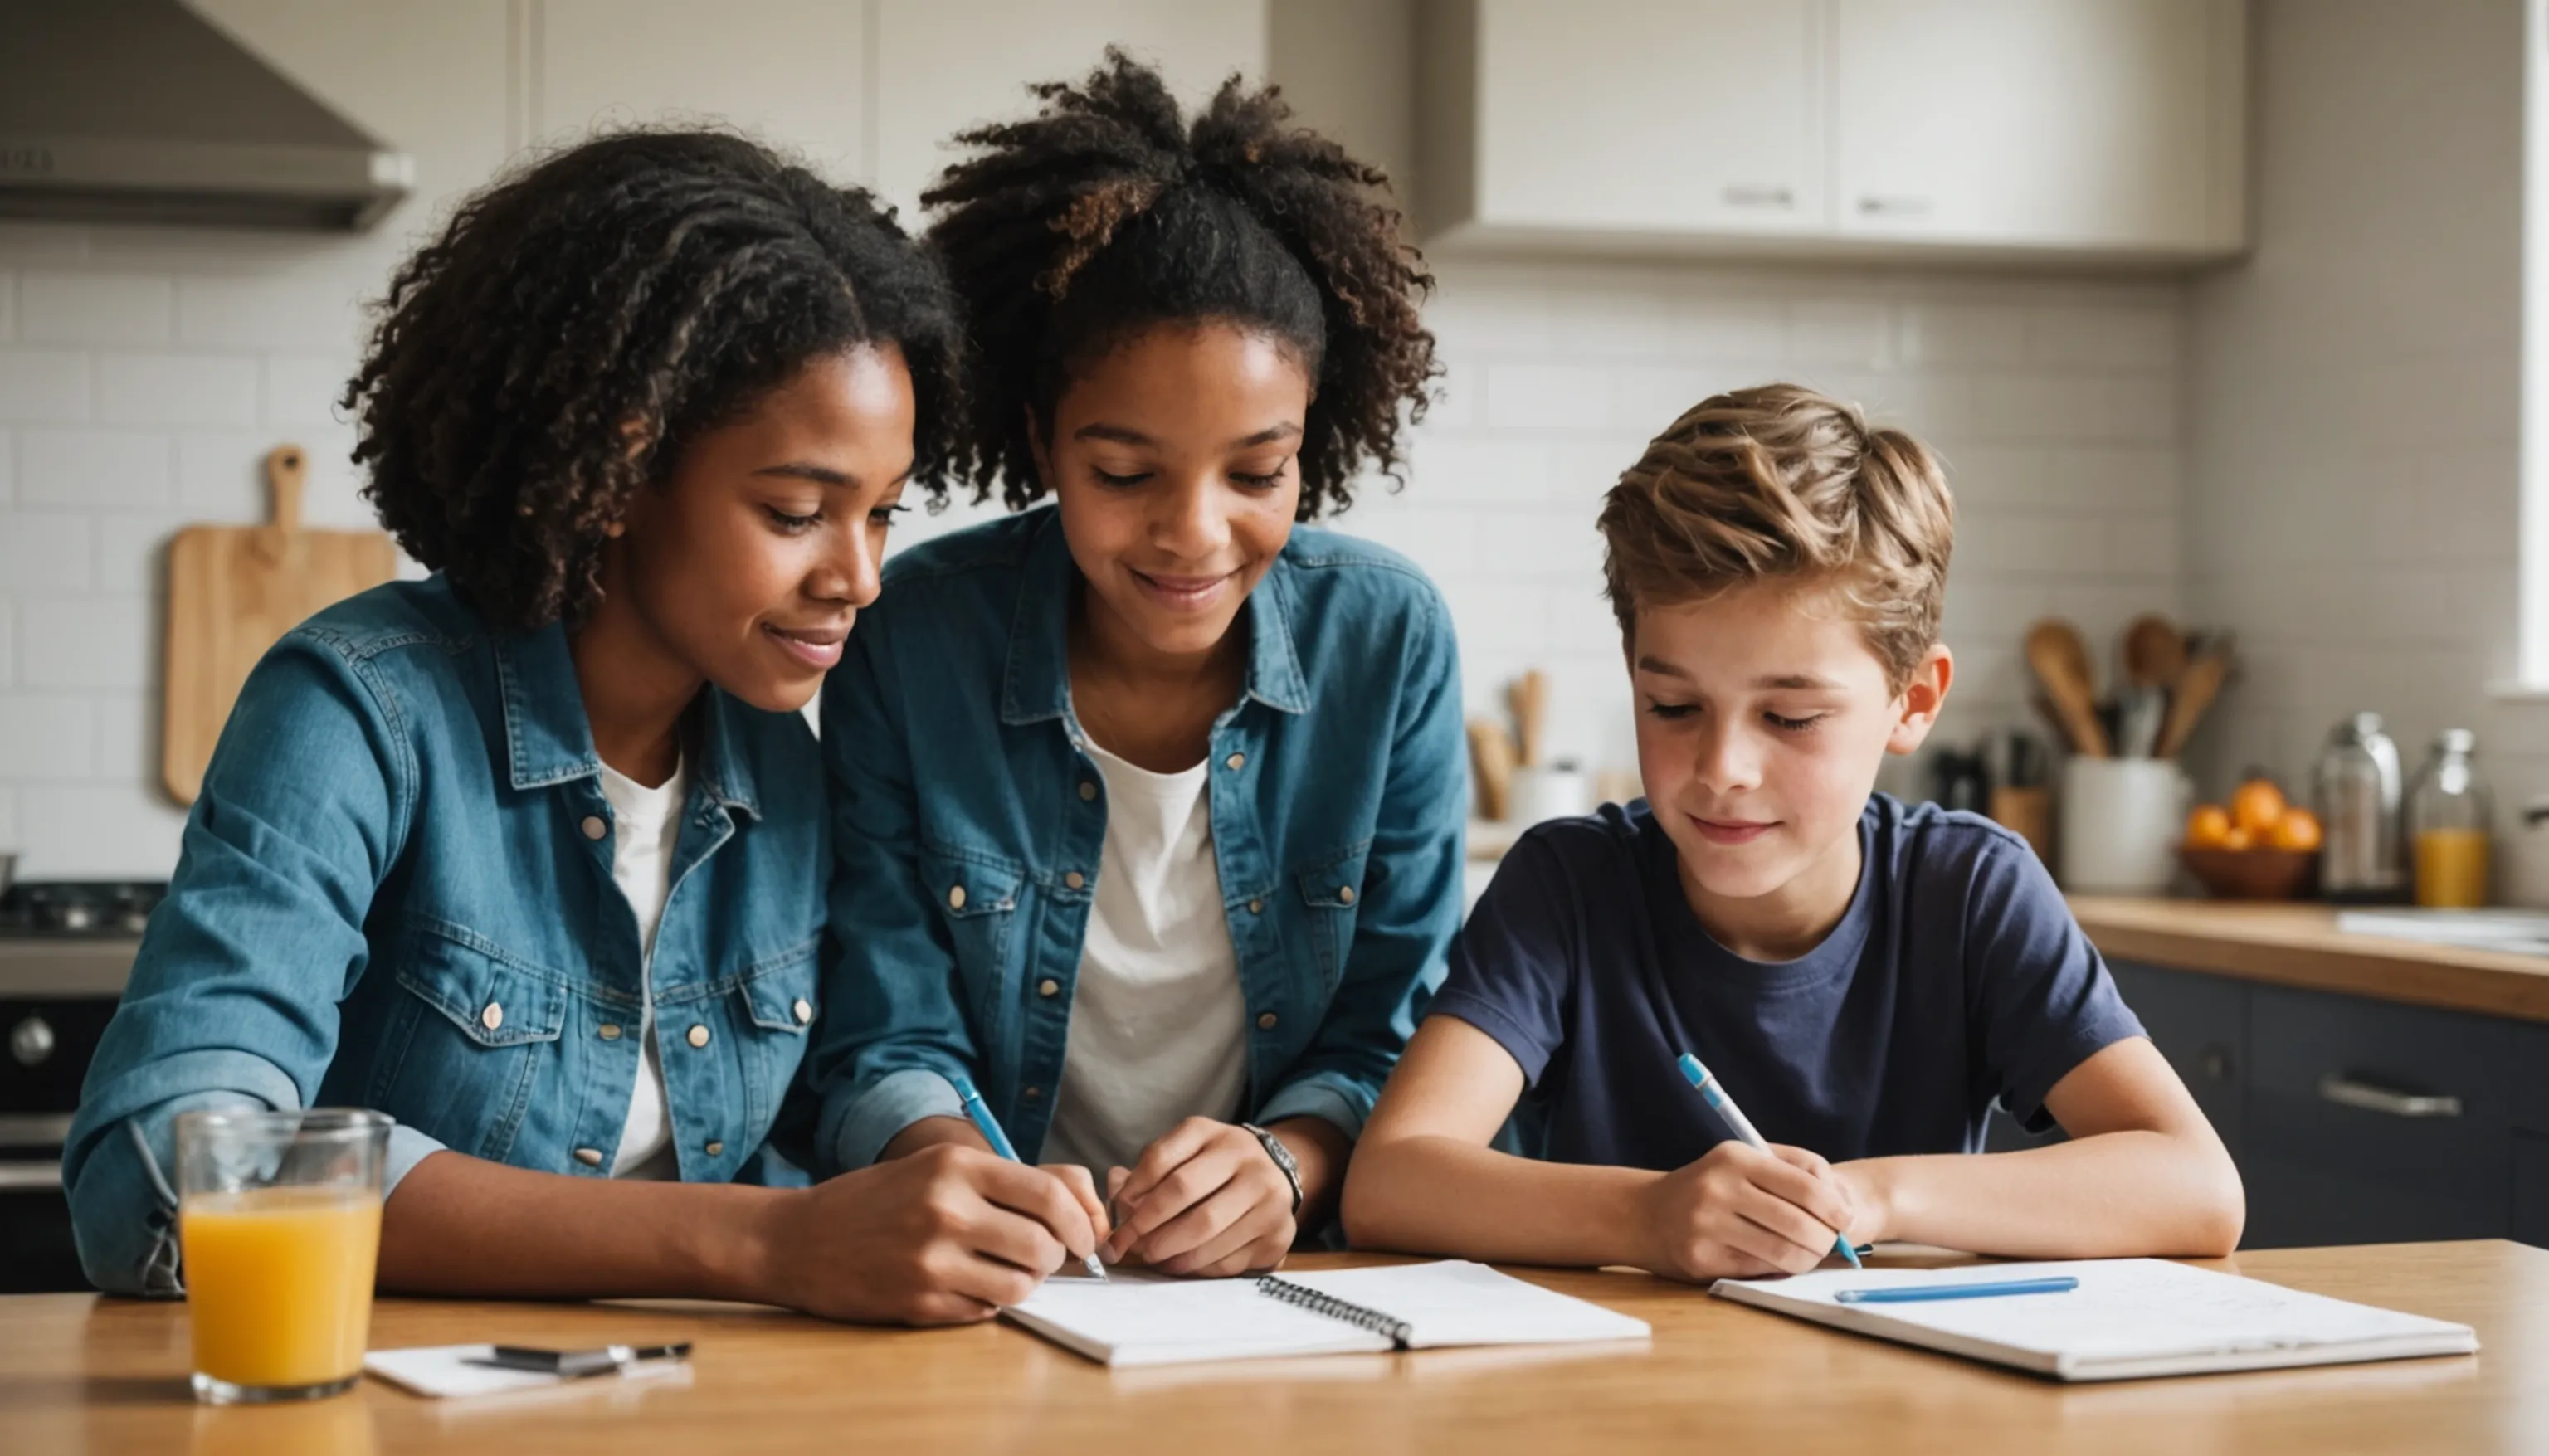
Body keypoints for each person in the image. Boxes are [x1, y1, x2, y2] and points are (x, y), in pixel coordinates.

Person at [66, 132, 1108, 1322]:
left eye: (881, 513)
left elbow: (852, 1065)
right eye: (797, 511)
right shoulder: (357, 711)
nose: (859, 576)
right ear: (617, 467)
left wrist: (942, 1160)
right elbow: (161, 1172)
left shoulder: (783, 764)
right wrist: (758, 1242)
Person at [808, 52, 1460, 1295]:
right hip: (987, 1288)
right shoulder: (916, 636)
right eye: (1123, 473)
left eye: (1257, 472)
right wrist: (957, 1176)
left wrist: (1288, 1162)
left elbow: (1404, 1020)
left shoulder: (1388, 640)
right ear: (1041, 435)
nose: (1194, 535)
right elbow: (881, 1018)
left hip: (1280, 1296)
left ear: (1313, 443)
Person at [1342, 384, 2245, 1278]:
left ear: (1913, 700)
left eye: (1790, 717)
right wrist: (1648, 1219)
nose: (1722, 766)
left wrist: (1875, 1199)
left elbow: (2198, 1189)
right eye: (1673, 705)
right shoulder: (1569, 887)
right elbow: (1391, 1181)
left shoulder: (1969, 891)